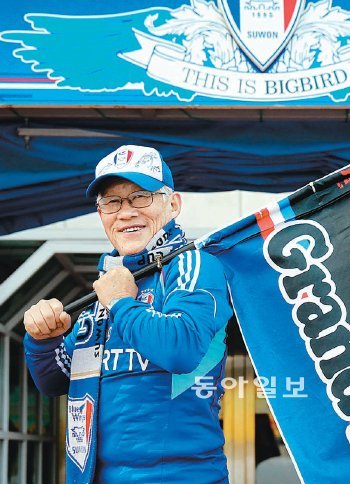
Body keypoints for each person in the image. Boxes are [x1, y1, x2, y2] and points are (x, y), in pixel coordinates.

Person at [23, 145, 233, 483]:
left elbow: (182, 350)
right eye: (112, 202)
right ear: (101, 213)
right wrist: (43, 340)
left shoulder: (193, 265)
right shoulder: (109, 284)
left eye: (140, 197)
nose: (125, 212)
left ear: (173, 204)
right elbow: (54, 381)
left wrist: (121, 302)